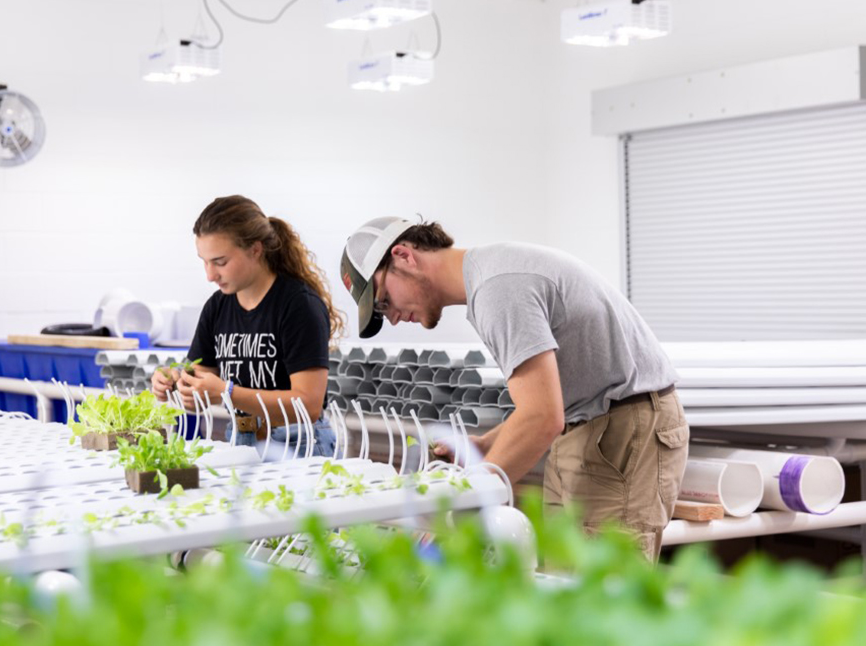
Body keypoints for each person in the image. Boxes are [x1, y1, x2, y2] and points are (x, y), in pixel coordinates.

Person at [338, 217, 688, 559]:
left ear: (403, 256)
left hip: (624, 430)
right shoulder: (490, 279)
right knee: (560, 580)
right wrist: (485, 445)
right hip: (587, 424)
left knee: (605, 596)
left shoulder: (498, 289)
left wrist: (463, 507)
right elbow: (548, 402)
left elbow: (541, 417)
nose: (394, 317)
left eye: (384, 301)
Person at [152, 195, 342, 458]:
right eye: (204, 261)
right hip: (241, 440)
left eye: (220, 262)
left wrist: (226, 392)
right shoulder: (217, 307)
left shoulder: (299, 305)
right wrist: (174, 383)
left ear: (255, 249)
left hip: (298, 445)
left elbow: (308, 405)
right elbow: (199, 392)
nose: (210, 275)